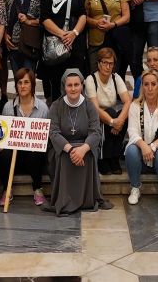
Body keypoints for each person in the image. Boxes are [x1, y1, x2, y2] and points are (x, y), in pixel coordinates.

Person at [46, 69, 112, 216]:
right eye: (70, 85)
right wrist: (70, 149)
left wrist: (83, 149)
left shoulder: (89, 106)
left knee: (88, 154)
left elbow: (96, 132)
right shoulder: (56, 106)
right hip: (63, 147)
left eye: (76, 84)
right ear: (64, 87)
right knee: (64, 156)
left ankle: (86, 200)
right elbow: (53, 132)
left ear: (82, 86)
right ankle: (65, 200)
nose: (73, 88)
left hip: (85, 146)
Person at [125, 69, 158, 207]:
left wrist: (153, 146)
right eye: (146, 84)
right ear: (142, 86)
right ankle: (135, 187)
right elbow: (132, 131)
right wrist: (144, 146)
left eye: (153, 84)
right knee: (131, 150)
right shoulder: (135, 106)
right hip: (140, 155)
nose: (150, 88)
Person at [40, 0, 88, 100]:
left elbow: (83, 15)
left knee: (75, 85)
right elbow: (44, 18)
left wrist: (74, 33)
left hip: (75, 46)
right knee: (56, 88)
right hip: (55, 47)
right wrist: (62, 34)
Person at [0, 68, 50, 206]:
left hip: (34, 157)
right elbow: (4, 135)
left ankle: (37, 188)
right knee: (4, 154)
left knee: (36, 152)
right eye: (19, 82)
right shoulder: (8, 107)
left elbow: (45, 137)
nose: (23, 86)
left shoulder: (43, 108)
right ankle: (6, 189)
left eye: (26, 82)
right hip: (15, 155)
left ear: (32, 85)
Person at [84, 48, 133, 175]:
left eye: (110, 63)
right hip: (95, 118)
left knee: (126, 113)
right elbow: (95, 108)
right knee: (111, 112)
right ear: (99, 63)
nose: (107, 66)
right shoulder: (91, 79)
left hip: (112, 119)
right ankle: (104, 158)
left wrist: (120, 120)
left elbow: (128, 101)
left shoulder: (116, 77)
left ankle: (114, 157)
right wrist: (112, 122)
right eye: (105, 63)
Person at [84, 0, 131, 76]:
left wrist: (113, 25)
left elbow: (126, 16)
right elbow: (85, 16)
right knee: (94, 75)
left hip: (113, 38)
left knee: (112, 76)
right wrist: (95, 22)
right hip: (95, 39)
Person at [4, 0, 42, 76]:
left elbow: (43, 19)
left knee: (29, 78)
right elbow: (5, 17)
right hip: (13, 43)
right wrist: (5, 35)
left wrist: (29, 21)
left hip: (30, 43)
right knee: (17, 78)